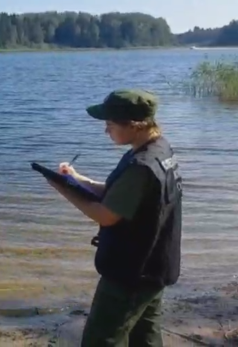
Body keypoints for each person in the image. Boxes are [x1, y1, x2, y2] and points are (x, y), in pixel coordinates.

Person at [44, 89, 183, 347]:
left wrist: (62, 188)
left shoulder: (141, 165)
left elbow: (105, 215)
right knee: (145, 336)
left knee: (101, 339)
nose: (105, 131)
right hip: (155, 265)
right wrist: (76, 178)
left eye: (109, 124)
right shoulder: (158, 149)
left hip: (131, 272)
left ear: (134, 125)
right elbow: (118, 193)